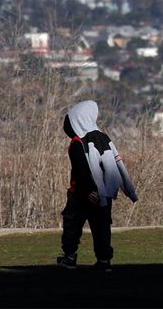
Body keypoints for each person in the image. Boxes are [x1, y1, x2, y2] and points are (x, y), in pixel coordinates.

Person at [57, 100, 138, 271]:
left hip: (80, 194)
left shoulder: (77, 143)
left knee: (72, 225)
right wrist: (128, 190)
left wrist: (89, 190)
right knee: (102, 228)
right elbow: (117, 164)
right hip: (105, 194)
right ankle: (104, 261)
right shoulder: (104, 138)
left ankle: (70, 257)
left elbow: (82, 170)